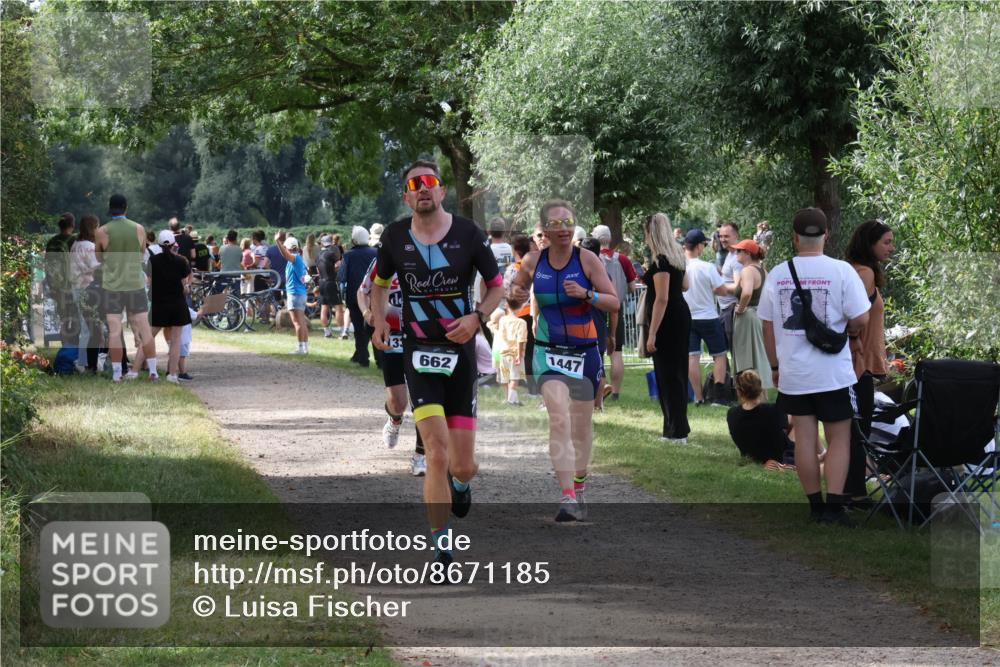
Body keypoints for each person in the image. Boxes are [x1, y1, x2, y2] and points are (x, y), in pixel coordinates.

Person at [370, 159, 503, 566]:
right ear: (407, 195)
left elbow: (497, 287)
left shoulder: (467, 234)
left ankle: (461, 485)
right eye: (414, 184)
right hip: (418, 352)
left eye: (430, 182)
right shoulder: (394, 236)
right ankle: (442, 547)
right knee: (436, 453)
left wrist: (477, 317)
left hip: (460, 356)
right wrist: (379, 323)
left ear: (442, 191)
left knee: (462, 465)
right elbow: (378, 285)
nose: (423, 188)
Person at [759, 207, 871, 524]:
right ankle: (835, 508)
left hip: (794, 372)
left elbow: (767, 325)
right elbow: (862, 316)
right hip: (833, 373)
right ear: (826, 235)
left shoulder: (778, 274)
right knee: (839, 439)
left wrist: (775, 365)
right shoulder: (842, 271)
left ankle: (815, 507)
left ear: (795, 238)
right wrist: (850, 331)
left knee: (805, 439)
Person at [510, 199, 620, 522]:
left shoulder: (587, 261)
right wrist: (514, 294)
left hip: (584, 352)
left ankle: (580, 484)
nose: (564, 229)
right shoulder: (533, 261)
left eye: (568, 222)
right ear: (543, 229)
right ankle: (567, 496)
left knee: (581, 427)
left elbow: (613, 301)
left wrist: (587, 295)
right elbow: (516, 294)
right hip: (547, 350)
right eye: (556, 224)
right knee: (559, 420)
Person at [359, 258, 427, 476]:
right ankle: (395, 418)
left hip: (421, 337)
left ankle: (420, 455)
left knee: (423, 399)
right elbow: (363, 292)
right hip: (392, 336)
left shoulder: (429, 259)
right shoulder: (383, 261)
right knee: (399, 401)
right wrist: (367, 314)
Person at [844, 219, 895, 503]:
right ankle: (853, 493)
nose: (891, 247)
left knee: (856, 428)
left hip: (857, 362)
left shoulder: (856, 270)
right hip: (856, 363)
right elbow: (852, 316)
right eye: (886, 242)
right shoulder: (864, 274)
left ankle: (854, 491)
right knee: (858, 429)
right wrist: (855, 343)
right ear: (869, 243)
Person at [95, 194, 158, 383]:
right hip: (135, 285)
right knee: (145, 328)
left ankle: (116, 374)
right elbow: (141, 253)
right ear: (126, 208)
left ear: (110, 208)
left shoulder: (101, 231)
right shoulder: (139, 229)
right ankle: (153, 372)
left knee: (115, 330)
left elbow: (99, 258)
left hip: (112, 286)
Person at [643, 213, 691, 442]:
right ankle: (675, 428)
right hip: (680, 314)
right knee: (677, 372)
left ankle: (676, 430)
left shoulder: (661, 261)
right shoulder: (677, 256)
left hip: (667, 318)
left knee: (667, 375)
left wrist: (652, 334)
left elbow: (661, 299)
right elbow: (685, 285)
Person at [680, 229, 729, 405]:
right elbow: (722, 290)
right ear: (699, 246)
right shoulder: (707, 267)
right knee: (720, 355)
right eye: (704, 244)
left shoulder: (680, 266)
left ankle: (698, 397)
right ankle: (717, 396)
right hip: (708, 316)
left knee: (692, 357)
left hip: (687, 317)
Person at [137, 230, 192, 383]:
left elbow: (149, 282)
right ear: (174, 244)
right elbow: (184, 287)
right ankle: (172, 374)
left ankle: (135, 370)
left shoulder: (153, 261)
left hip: (159, 304)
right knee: (175, 341)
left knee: (148, 338)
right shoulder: (181, 261)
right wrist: (187, 288)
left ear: (159, 245)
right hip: (177, 305)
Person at [591, 224, 638, 402]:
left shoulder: (590, 258)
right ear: (610, 239)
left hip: (595, 309)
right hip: (616, 309)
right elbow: (633, 288)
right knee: (616, 352)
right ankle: (615, 392)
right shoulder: (623, 259)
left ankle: (599, 389)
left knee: (596, 352)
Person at [725, 239, 772, 387]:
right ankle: (759, 395)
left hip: (747, 316)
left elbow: (746, 293)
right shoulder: (764, 271)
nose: (735, 253)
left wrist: (740, 309)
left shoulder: (747, 271)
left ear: (747, 253)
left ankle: (749, 396)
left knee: (746, 359)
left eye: (738, 251)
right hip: (759, 315)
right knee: (758, 356)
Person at [727, 370, 795, 468]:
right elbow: (784, 428)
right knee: (800, 422)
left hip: (754, 457)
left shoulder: (732, 414)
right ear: (760, 388)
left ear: (739, 391)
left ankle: (821, 454)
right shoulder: (772, 410)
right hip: (778, 457)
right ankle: (822, 453)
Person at [339, 226, 378, 366]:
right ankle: (380, 360)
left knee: (358, 328)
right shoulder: (376, 252)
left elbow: (342, 276)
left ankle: (363, 358)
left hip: (355, 296)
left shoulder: (349, 255)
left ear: (354, 239)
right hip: (374, 296)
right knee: (374, 327)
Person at [70, 215, 102, 370]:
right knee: (89, 329)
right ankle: (83, 362)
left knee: (85, 328)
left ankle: (83, 361)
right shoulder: (89, 246)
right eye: (97, 227)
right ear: (93, 228)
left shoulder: (75, 244)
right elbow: (97, 266)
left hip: (76, 287)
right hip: (87, 289)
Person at [487, 294, 529, 406]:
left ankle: (511, 400)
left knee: (504, 378)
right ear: (520, 307)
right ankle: (511, 400)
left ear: (507, 306)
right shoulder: (521, 322)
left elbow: (499, 334)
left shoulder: (502, 320)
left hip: (502, 353)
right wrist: (519, 356)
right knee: (514, 378)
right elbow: (521, 340)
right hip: (515, 353)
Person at [45, 213, 77, 345]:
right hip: (73, 286)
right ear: (73, 225)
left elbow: (47, 265)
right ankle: (74, 352)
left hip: (57, 287)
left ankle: (65, 348)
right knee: (75, 320)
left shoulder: (51, 242)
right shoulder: (74, 241)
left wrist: (51, 285)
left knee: (63, 320)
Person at [277, 234, 310, 354]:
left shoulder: (295, 258)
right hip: (300, 293)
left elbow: (285, 254)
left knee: (297, 322)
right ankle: (305, 347)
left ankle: (301, 347)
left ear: (288, 248)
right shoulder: (298, 258)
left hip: (294, 293)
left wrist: (277, 242)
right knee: (301, 321)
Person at [716, 222, 743, 349]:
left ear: (736, 235)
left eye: (726, 236)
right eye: (720, 236)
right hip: (726, 308)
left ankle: (738, 370)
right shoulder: (730, 254)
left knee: (735, 349)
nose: (722, 239)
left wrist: (717, 288)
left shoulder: (738, 257)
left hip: (732, 309)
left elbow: (738, 286)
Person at [316, 234, 343, 338]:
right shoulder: (332, 254)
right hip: (331, 281)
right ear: (330, 243)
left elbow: (318, 271)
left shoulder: (318, 255)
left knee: (324, 307)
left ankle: (327, 332)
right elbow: (338, 266)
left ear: (322, 243)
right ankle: (342, 331)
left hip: (322, 282)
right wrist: (334, 270)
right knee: (338, 307)